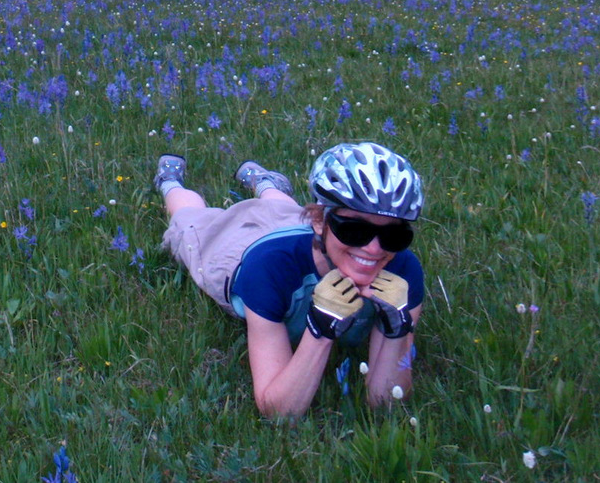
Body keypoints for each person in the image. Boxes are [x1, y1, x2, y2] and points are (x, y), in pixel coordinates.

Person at [155, 142, 424, 418]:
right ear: (319, 222)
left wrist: (397, 330)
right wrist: (321, 329)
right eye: (355, 230)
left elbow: (386, 403)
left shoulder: (403, 270)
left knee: (285, 211)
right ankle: (170, 183)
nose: (375, 249)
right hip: (237, 252)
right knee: (192, 220)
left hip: (295, 228)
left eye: (394, 236)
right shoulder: (268, 270)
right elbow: (278, 411)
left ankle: (266, 183)